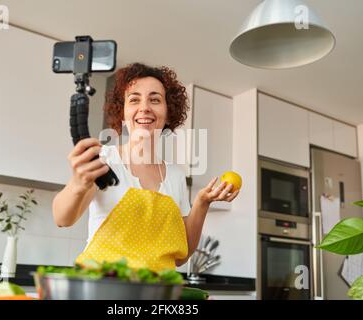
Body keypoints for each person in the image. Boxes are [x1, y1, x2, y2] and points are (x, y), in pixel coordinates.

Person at [52, 63, 239, 272]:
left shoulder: (175, 176)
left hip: (156, 292)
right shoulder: (104, 159)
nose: (144, 107)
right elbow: (62, 218)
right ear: (122, 113)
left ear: (168, 113)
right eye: (134, 99)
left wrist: (202, 203)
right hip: (103, 286)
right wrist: (78, 183)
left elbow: (181, 255)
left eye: (155, 99)